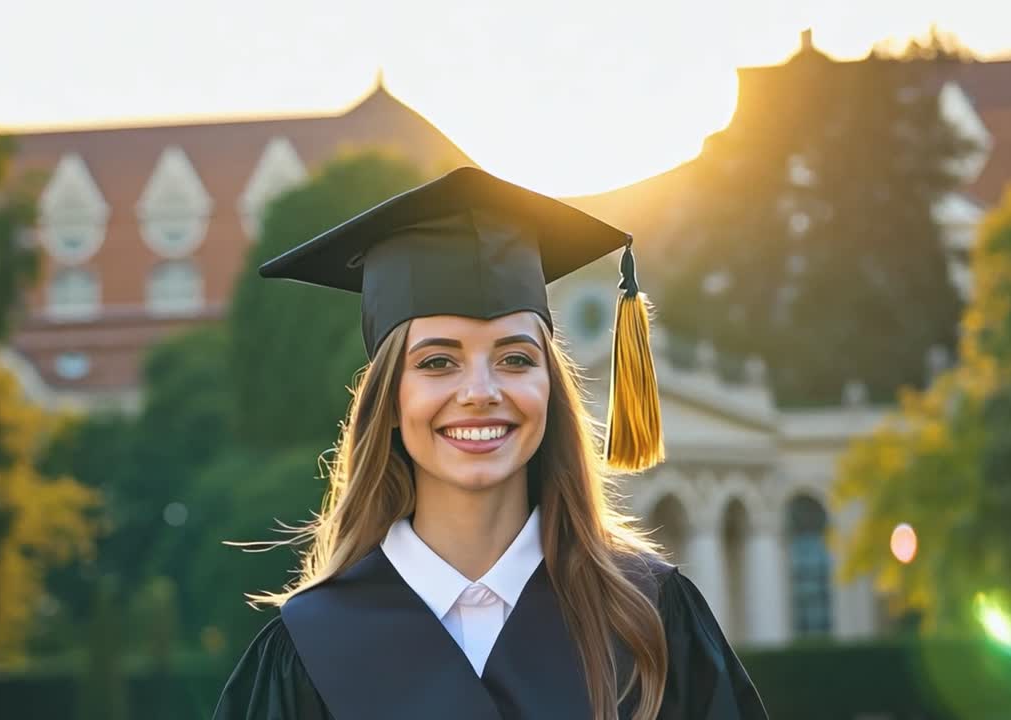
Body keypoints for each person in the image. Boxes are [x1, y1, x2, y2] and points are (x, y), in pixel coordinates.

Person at [212, 166, 770, 720]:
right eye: (437, 362)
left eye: (515, 359)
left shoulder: (648, 619)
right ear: (389, 401)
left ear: (549, 391)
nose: (480, 392)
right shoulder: (310, 652)